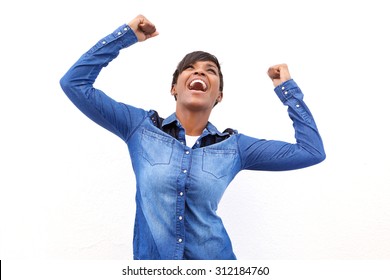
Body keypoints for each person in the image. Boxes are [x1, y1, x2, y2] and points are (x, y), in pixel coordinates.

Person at [60, 14, 326, 260]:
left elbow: (311, 151)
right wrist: (126, 36)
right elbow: (74, 83)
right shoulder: (139, 128)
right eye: (190, 68)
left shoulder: (235, 148)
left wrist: (287, 90)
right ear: (174, 87)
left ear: (218, 95)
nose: (200, 72)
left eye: (210, 70)